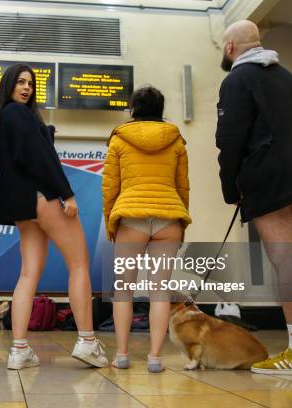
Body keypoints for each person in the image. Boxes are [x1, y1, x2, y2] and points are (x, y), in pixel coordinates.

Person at [216, 20, 292, 376]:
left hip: (269, 178)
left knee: (285, 263)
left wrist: (230, 188)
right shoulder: (289, 79)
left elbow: (229, 139)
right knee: (291, 260)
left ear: (231, 48)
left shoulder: (236, 80)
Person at [0, 63, 107, 370]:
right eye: (20, 82)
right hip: (42, 197)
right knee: (79, 263)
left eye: (30, 83)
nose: (27, 87)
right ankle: (87, 341)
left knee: (28, 273)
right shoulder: (18, 114)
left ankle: (19, 349)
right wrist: (66, 193)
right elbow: (40, 158)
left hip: (23, 207)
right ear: (9, 85)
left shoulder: (5, 117)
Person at [102, 86, 190, 373]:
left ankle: (123, 356)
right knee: (159, 291)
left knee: (124, 291)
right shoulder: (176, 140)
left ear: (133, 109)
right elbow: (183, 187)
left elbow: (109, 188)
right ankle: (154, 358)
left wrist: (111, 224)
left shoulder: (119, 140)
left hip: (131, 217)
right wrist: (181, 220)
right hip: (169, 217)